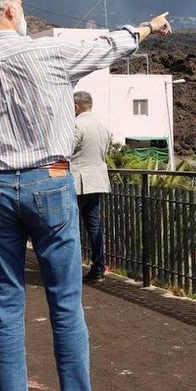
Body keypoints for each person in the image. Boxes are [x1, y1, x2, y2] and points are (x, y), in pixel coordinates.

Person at [0, 0, 170, 391]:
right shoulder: (47, 52)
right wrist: (147, 28)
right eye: (20, 3)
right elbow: (110, 46)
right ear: (9, 9)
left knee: (5, 309)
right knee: (65, 304)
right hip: (50, 181)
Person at [70, 91, 112, 282]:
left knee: (70, 226)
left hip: (78, 181)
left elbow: (66, 150)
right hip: (98, 180)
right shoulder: (103, 125)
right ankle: (98, 267)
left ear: (77, 107)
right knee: (94, 226)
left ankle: (71, 268)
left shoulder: (77, 125)